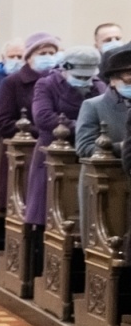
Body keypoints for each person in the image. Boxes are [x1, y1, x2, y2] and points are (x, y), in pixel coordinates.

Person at [25, 46, 103, 227]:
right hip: (53, 153)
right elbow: (43, 117)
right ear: (65, 69)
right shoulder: (47, 84)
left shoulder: (99, 86)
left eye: (88, 77)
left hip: (88, 153)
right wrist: (83, 128)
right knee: (47, 211)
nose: (84, 81)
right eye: (79, 77)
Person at [0, 32, 61, 139]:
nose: (48, 57)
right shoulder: (11, 82)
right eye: (42, 54)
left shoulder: (59, 81)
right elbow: (2, 124)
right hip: (23, 148)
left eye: (52, 53)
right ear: (29, 57)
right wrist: (41, 132)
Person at [78, 46, 131, 158]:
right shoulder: (93, 105)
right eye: (129, 81)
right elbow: (84, 147)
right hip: (106, 172)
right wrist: (122, 147)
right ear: (112, 81)